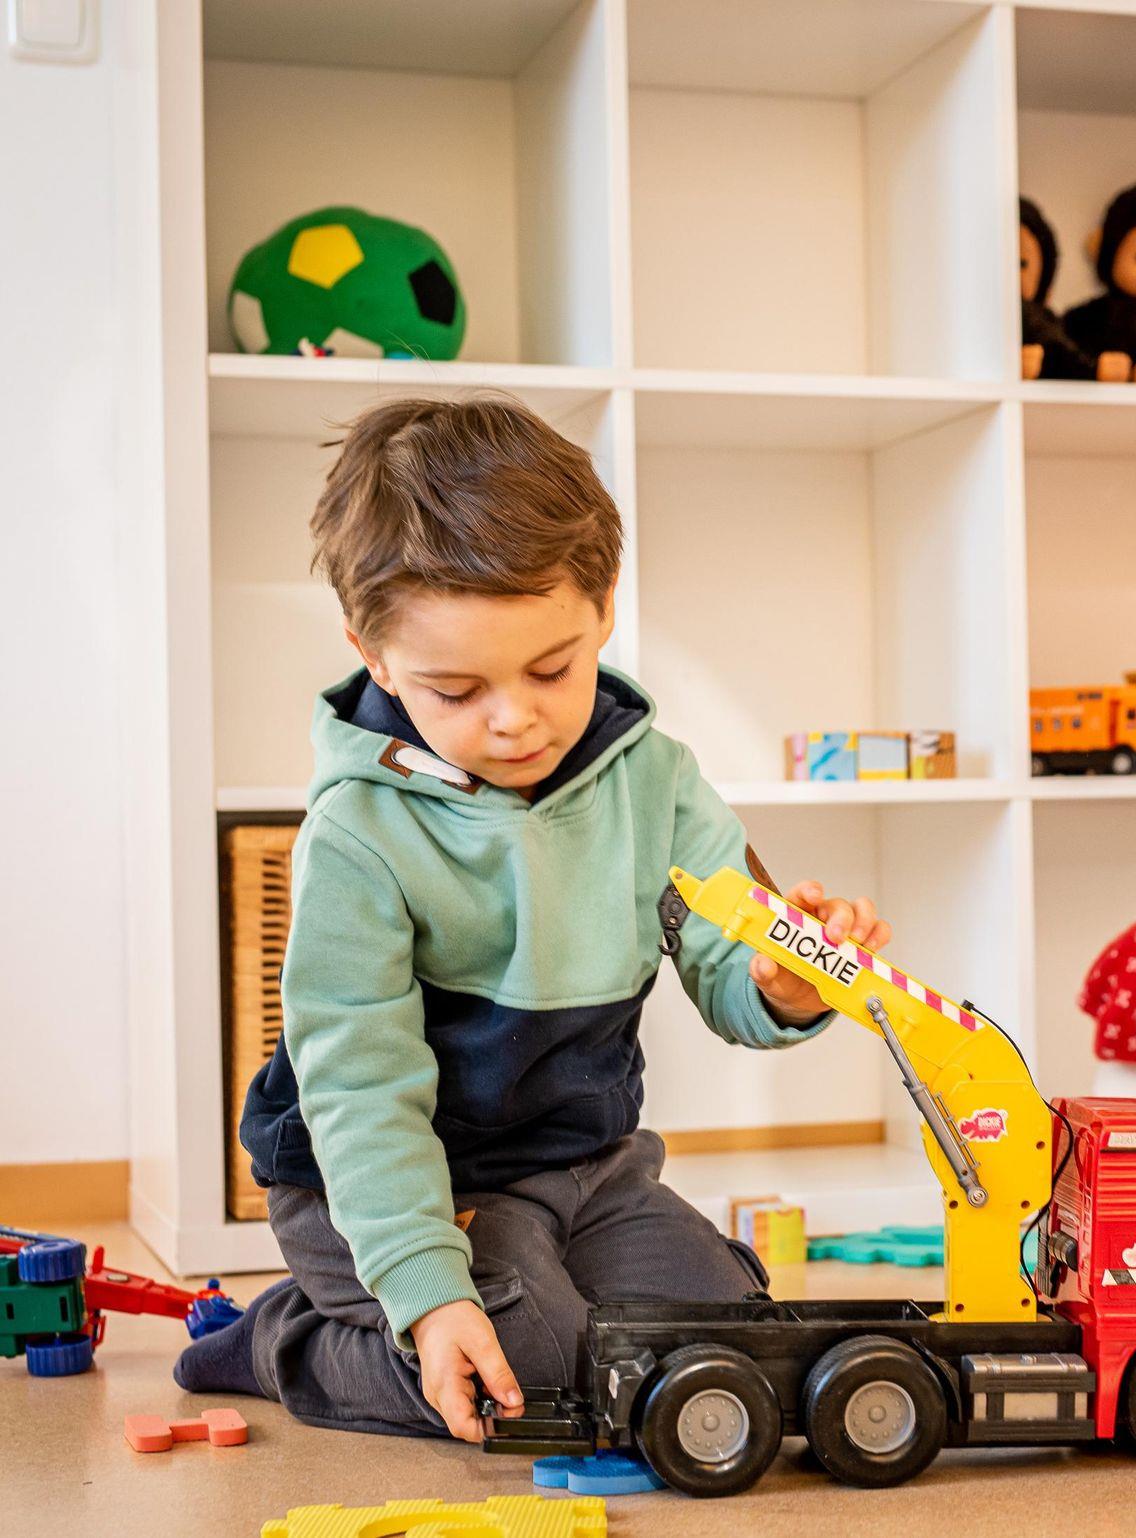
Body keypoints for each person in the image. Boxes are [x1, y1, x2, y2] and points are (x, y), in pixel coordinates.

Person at [177, 395, 889, 1440]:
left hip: (578, 1169)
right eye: (455, 689)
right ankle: (287, 1336)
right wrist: (428, 1289)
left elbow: (729, 956)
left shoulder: (658, 781)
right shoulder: (357, 835)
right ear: (374, 655)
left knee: (733, 1346)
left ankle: (527, 1267)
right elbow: (361, 1089)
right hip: (382, 1183)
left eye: (551, 669)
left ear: (603, 608)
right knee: (543, 1379)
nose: (514, 718)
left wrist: (785, 985)